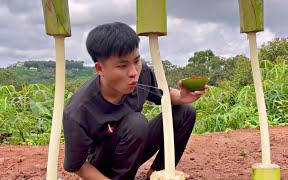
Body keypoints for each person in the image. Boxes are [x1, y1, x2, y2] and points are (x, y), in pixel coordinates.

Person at [63, 22, 209, 180]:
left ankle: (158, 173)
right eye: (122, 65)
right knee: (136, 123)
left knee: (185, 112)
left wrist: (182, 97)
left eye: (136, 61)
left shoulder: (142, 73)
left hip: (132, 146)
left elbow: (163, 95)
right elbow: (77, 165)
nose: (133, 72)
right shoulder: (79, 110)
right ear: (100, 69)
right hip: (102, 165)